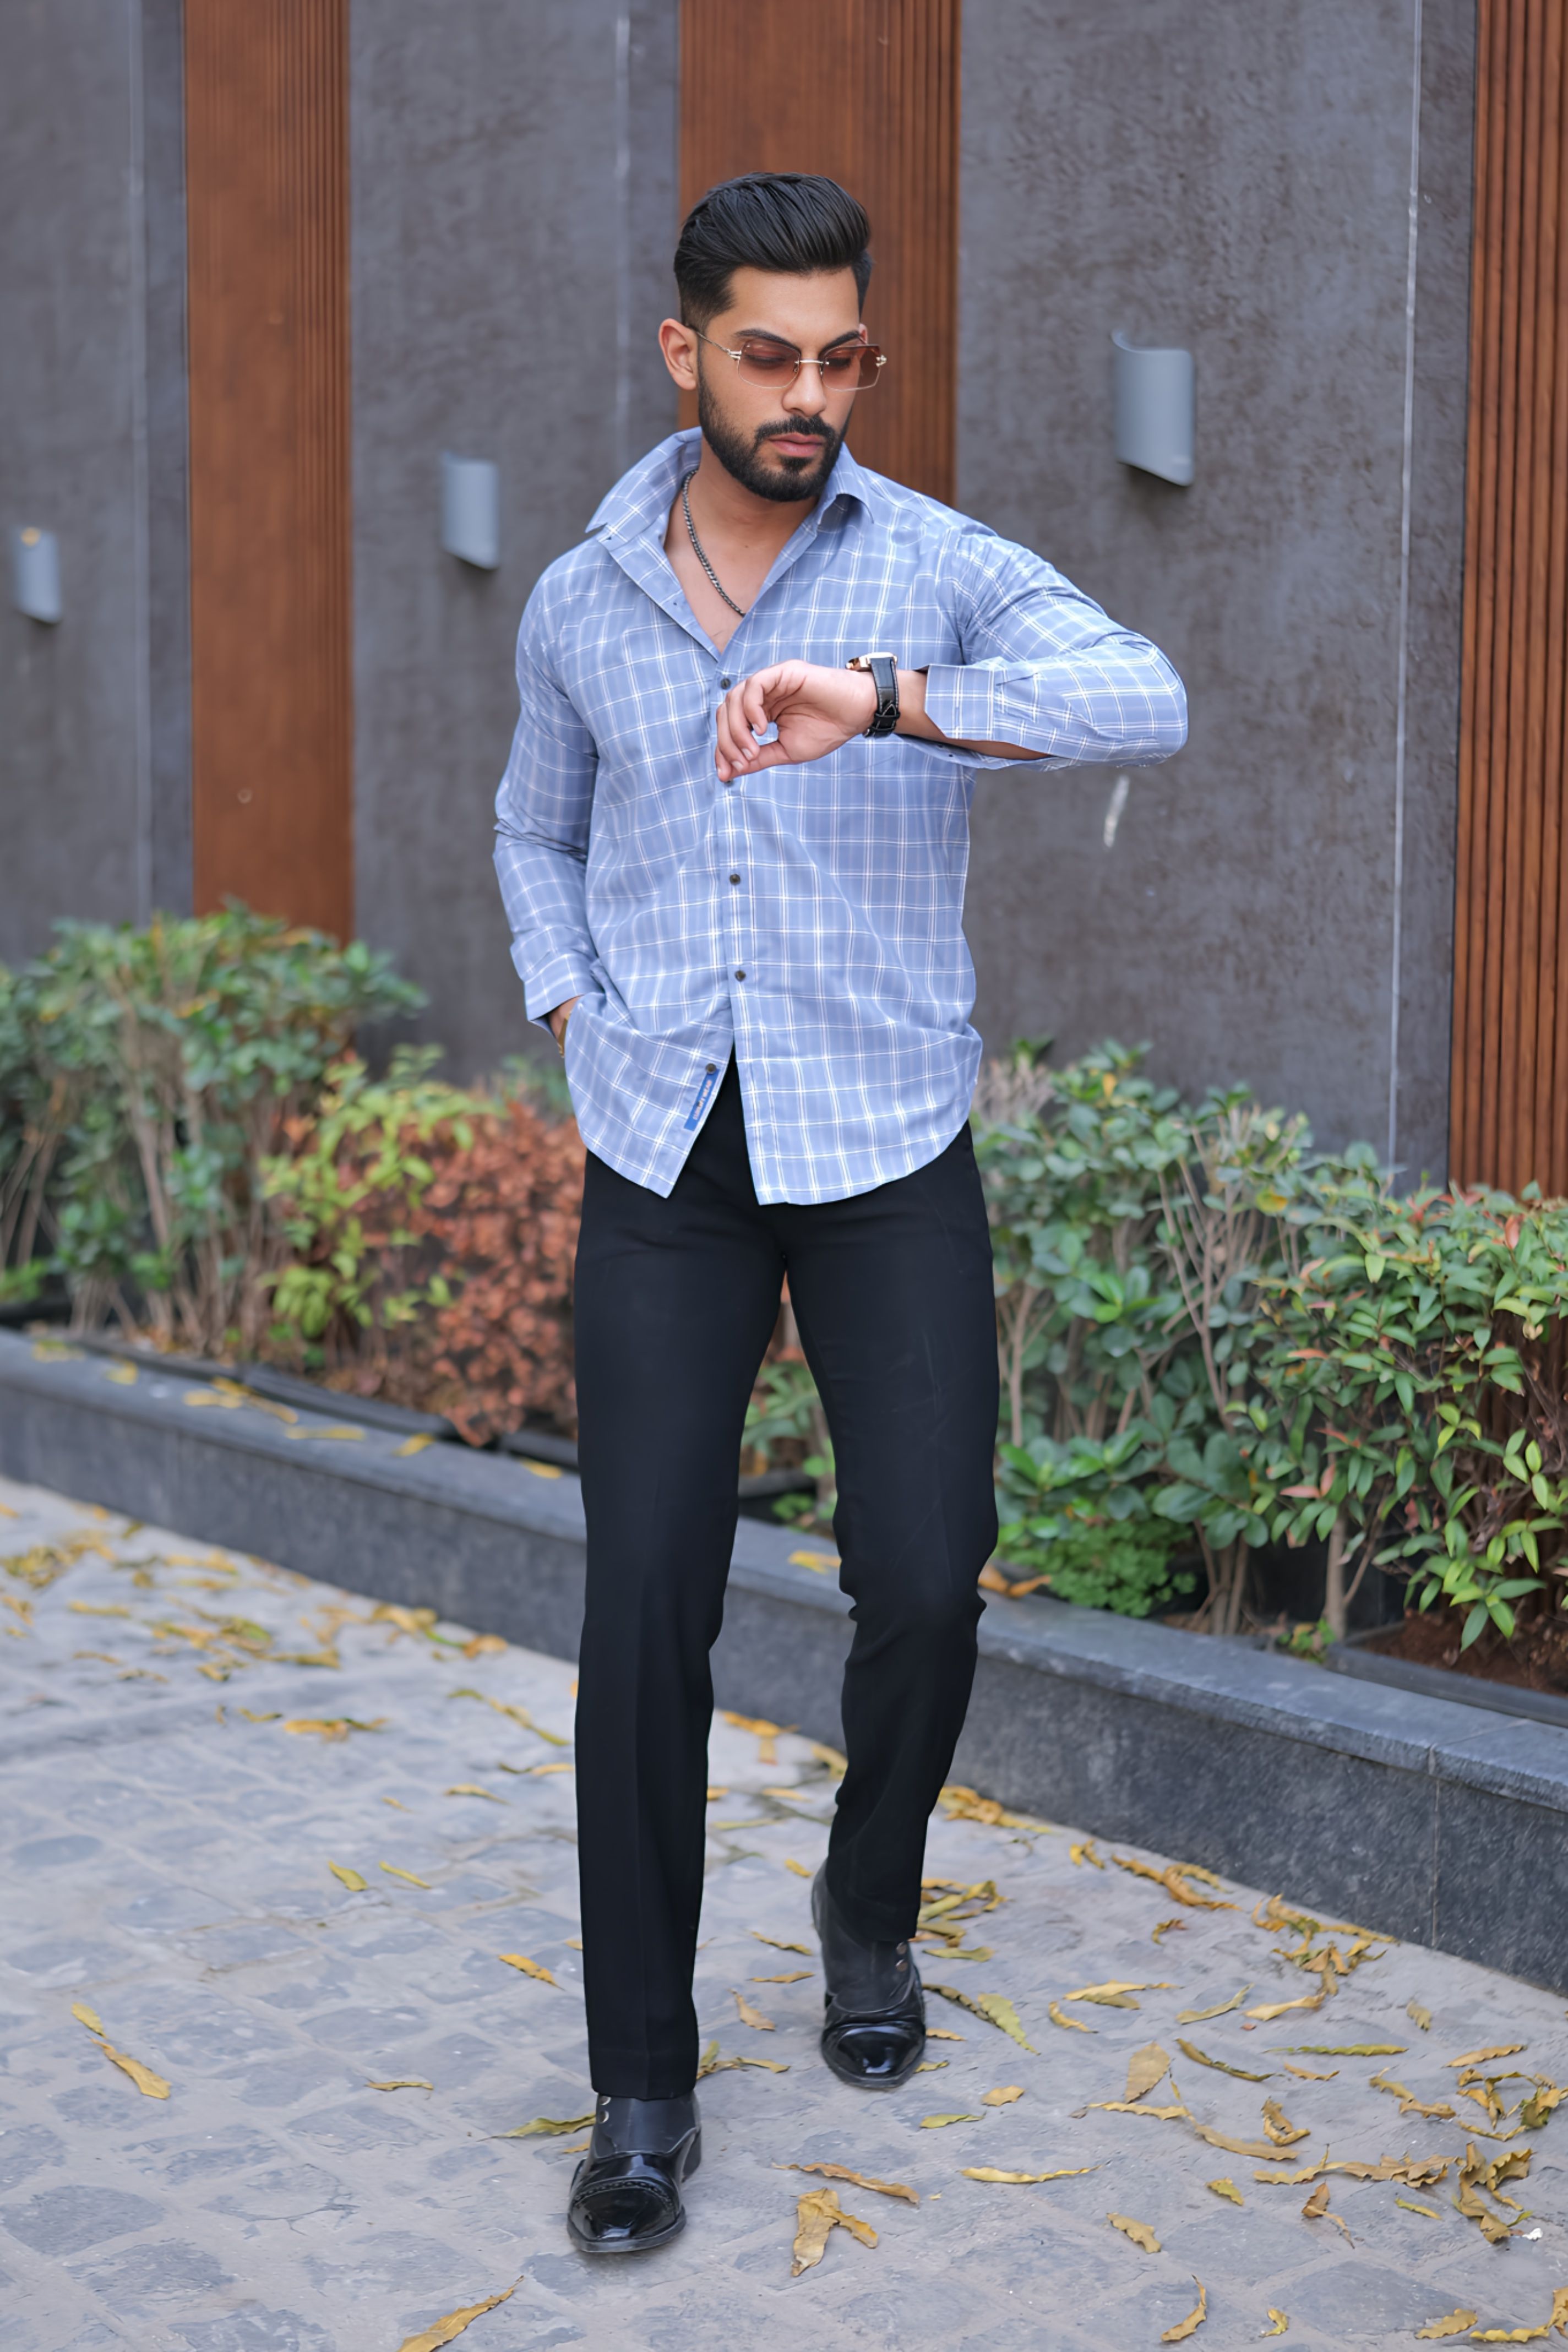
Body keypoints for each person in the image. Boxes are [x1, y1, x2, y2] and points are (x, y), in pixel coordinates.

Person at [494, 170, 1185, 2256]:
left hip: (882, 1145)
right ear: (685, 348)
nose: (811, 396)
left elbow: (1142, 696)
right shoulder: (577, 598)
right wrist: (566, 1002)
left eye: (843, 357)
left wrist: (882, 699)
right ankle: (641, 2086)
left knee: (921, 1577)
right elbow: (537, 822)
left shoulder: (939, 567)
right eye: (771, 355)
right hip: (666, 1160)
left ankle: (864, 1909)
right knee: (646, 1612)